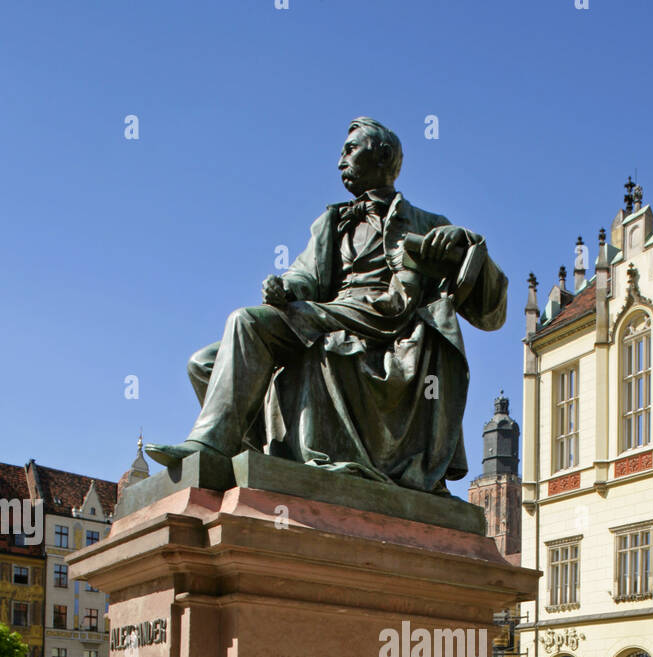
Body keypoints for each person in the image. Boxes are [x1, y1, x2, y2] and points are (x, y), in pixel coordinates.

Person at [146, 118, 507, 496]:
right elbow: (305, 275)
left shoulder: (427, 222)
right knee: (202, 363)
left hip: (383, 321)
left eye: (351, 149)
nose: (341, 160)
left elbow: (491, 313)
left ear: (383, 156)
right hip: (327, 313)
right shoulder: (332, 221)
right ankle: (246, 463)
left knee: (245, 322)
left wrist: (467, 244)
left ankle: (208, 447)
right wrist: (284, 287)